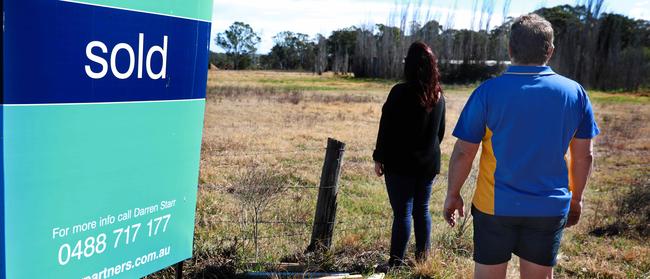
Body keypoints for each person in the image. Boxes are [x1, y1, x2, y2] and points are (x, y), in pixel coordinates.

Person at [443, 14, 600, 279]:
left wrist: (453, 193)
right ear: (549, 51)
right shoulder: (575, 93)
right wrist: (577, 198)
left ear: (510, 49)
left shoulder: (487, 92)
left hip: (494, 207)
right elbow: (584, 155)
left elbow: (463, 152)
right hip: (548, 208)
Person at [373, 41, 446, 268]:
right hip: (428, 164)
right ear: (432, 66)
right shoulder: (438, 96)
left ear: (409, 65)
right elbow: (440, 132)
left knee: (402, 213)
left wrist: (379, 157)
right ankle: (423, 260)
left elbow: (385, 128)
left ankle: (395, 263)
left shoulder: (399, 92)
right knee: (421, 211)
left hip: (400, 165)